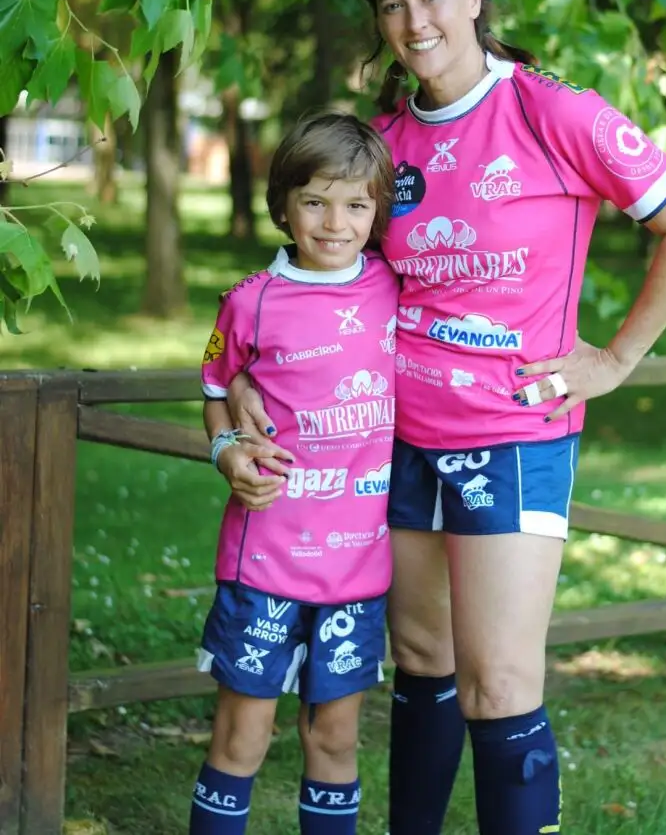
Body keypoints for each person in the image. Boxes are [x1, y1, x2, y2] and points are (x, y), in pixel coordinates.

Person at [220, 0, 666, 835]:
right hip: (399, 438)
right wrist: (246, 384)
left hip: (512, 437)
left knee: (499, 681)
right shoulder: (382, 143)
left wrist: (614, 359)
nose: (413, 22)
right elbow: (317, 271)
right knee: (422, 659)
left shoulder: (552, 111)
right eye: (391, 5)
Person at [189, 112, 399, 835]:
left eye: (355, 203)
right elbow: (218, 392)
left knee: (335, 742)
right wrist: (227, 453)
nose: (335, 222)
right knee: (241, 740)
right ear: (283, 204)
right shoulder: (249, 300)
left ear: (377, 210)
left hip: (358, 572)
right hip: (266, 562)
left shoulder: (394, 285)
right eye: (314, 200)